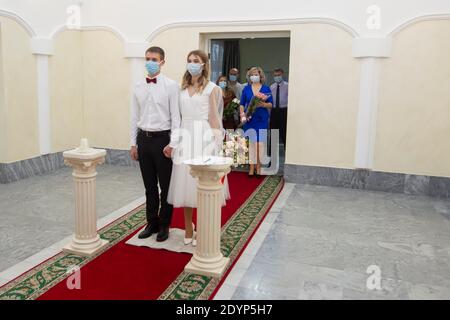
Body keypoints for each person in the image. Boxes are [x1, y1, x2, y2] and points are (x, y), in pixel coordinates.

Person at [168, 50, 230, 246]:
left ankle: (202, 227)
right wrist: (174, 141)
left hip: (203, 136)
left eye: (196, 61)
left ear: (204, 65)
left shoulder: (212, 88)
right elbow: (176, 117)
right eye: (189, 61)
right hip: (185, 136)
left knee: (201, 185)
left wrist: (217, 144)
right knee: (185, 184)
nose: (192, 64)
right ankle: (188, 227)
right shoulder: (181, 88)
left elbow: (214, 117)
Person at [130, 46, 181, 242]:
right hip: (144, 139)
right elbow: (134, 116)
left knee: (166, 186)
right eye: (147, 58)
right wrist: (133, 143)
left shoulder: (171, 86)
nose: (150, 62)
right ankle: (151, 222)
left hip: (163, 140)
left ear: (162, 62)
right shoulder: (138, 86)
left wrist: (172, 144)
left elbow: (176, 118)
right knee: (149, 186)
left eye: (154, 59)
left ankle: (165, 224)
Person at [239, 67, 273, 178]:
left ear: (260, 75)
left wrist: (263, 104)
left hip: (261, 120)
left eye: (256, 74)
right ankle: (251, 166)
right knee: (251, 144)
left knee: (260, 144)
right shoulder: (246, 89)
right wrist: (242, 114)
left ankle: (258, 166)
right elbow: (242, 104)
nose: (254, 76)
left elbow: (271, 104)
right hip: (249, 120)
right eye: (252, 74)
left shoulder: (266, 88)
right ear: (249, 77)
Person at [270, 68, 288, 150]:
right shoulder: (272, 87)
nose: (277, 77)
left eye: (278, 75)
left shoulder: (288, 86)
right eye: (275, 75)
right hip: (274, 112)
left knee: (284, 133)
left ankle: (287, 152)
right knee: (273, 133)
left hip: (284, 111)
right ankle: (273, 156)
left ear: (282, 75)